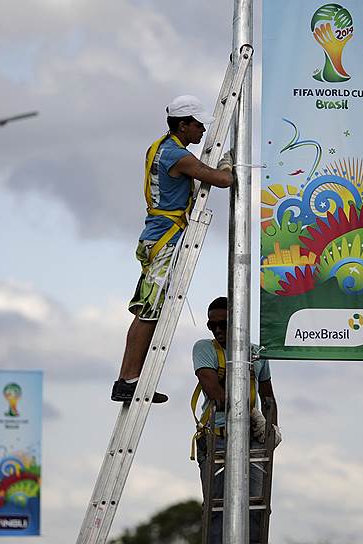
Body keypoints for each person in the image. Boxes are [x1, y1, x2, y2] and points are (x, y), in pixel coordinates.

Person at [111, 95, 235, 403]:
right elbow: (223, 180)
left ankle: (128, 378)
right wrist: (228, 161)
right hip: (165, 239)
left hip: (156, 236)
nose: (202, 131)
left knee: (146, 311)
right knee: (149, 313)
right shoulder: (176, 156)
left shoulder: (160, 147)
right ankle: (129, 379)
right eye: (198, 125)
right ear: (183, 124)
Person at [192, 296, 279, 544]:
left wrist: (271, 431)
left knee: (256, 509)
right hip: (218, 438)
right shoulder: (205, 349)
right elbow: (215, 394)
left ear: (237, 322)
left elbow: (269, 397)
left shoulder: (255, 354)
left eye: (223, 324)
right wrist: (251, 413)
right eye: (212, 325)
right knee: (217, 510)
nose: (217, 330)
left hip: (252, 442)